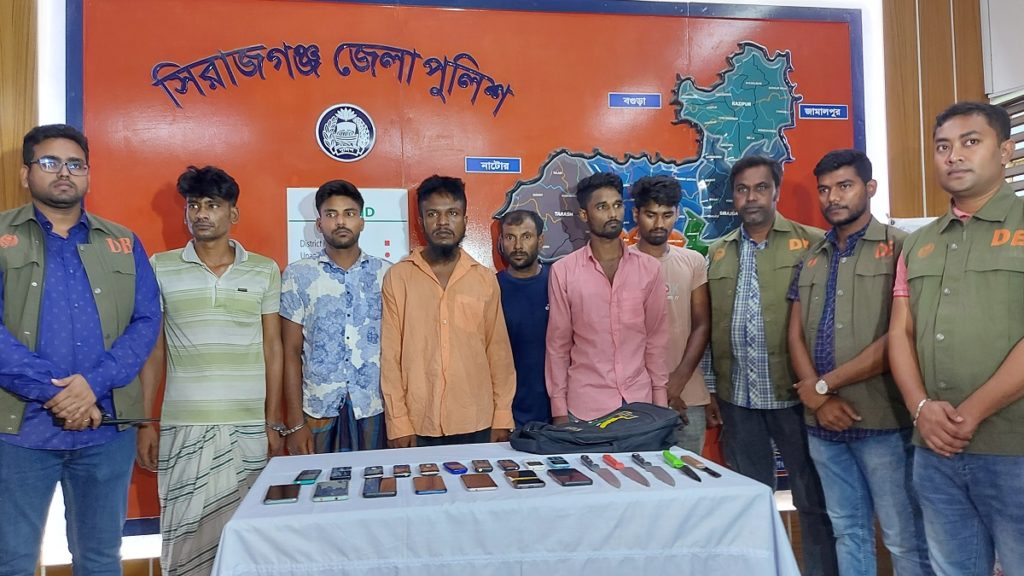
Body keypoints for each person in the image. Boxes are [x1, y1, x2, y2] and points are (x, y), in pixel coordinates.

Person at [0, 124, 161, 575]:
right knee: (12, 560)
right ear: (25, 173)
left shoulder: (121, 242)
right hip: (19, 433)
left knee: (100, 559)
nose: (64, 173)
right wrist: (59, 394)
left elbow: (146, 321)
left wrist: (92, 385)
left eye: (76, 164)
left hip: (104, 431)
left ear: (88, 173)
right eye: (50, 162)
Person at [889, 101, 1024, 576]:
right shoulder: (918, 242)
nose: (954, 156)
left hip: (1014, 450)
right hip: (934, 451)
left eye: (971, 142)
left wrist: (972, 413)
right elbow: (900, 332)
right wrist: (920, 409)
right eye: (942, 147)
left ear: (1005, 151)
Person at [788, 150, 932, 576]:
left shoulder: (904, 248)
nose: (833, 197)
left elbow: (902, 336)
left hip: (883, 421)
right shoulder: (810, 256)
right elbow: (794, 335)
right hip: (823, 426)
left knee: (903, 535)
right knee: (847, 530)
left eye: (844, 186)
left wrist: (823, 386)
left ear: (870, 188)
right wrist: (818, 399)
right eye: (824, 189)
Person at [137, 166, 282, 576]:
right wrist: (146, 422)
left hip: (247, 428)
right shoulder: (160, 267)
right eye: (194, 205)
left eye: (212, 205)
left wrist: (272, 420)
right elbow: (153, 351)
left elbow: (273, 348)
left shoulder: (264, 270)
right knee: (184, 542)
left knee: (246, 535)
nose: (201, 214)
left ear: (233, 213)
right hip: (185, 427)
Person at [705, 155, 837, 576]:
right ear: (733, 196)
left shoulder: (814, 244)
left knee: (812, 500)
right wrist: (711, 388)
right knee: (752, 501)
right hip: (738, 398)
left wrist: (824, 387)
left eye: (760, 188)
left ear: (775, 191)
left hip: (795, 396)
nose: (751, 197)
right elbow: (709, 324)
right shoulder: (718, 252)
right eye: (742, 190)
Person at [380, 175, 515, 446]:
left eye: (452, 213)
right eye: (433, 214)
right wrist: (398, 422)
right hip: (417, 423)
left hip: (477, 420)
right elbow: (390, 358)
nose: (443, 222)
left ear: (465, 220)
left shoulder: (484, 279)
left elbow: (498, 353)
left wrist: (502, 416)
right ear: (421, 222)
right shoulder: (398, 277)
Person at [546, 172, 669, 423]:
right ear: (584, 215)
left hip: (640, 405)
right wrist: (559, 411)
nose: (613, 213)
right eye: (602, 207)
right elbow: (558, 346)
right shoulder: (564, 272)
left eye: (617, 205)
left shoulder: (649, 269)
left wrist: (660, 404)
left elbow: (655, 341)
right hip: (585, 408)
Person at [279, 180, 390, 454]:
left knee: (374, 479)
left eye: (349, 213)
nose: (340, 221)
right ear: (319, 224)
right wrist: (295, 423)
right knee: (316, 481)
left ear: (362, 221)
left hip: (374, 407)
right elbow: (290, 352)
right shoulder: (298, 275)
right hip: (317, 409)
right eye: (331, 214)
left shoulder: (387, 274)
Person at [629, 175, 714, 453]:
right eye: (651, 215)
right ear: (636, 214)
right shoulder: (621, 263)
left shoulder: (693, 261)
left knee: (689, 474)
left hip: (687, 394)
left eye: (667, 215)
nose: (659, 223)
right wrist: (659, 390)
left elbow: (702, 325)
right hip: (635, 396)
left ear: (677, 214)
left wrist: (676, 382)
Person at [496, 209, 551, 427]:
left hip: (557, 413)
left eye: (526, 236)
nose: (518, 246)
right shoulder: (491, 289)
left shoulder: (558, 282)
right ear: (501, 242)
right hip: (506, 416)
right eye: (510, 237)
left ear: (540, 240)